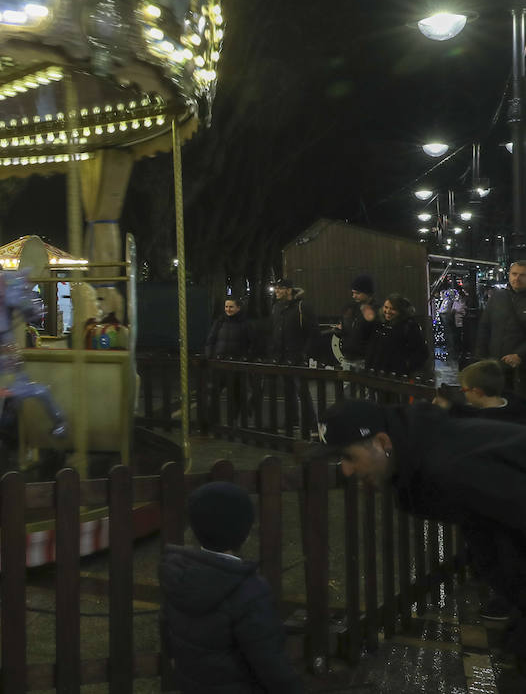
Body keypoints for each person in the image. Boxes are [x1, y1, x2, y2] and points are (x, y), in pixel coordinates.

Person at [318, 398, 526, 668]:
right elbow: (489, 529)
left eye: (348, 456)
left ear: (383, 443)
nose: (345, 471)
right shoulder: (424, 458)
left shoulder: (448, 467)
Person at [159, 482, 303, 693]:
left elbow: (166, 627)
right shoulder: (249, 591)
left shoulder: (177, 574)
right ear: (243, 533)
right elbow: (269, 660)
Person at [268, 279, 319, 436]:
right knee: (288, 391)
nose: (276, 291)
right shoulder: (277, 307)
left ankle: (313, 425)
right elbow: (276, 330)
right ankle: (292, 421)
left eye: (279, 288)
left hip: (296, 356)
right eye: (276, 288)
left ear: (289, 290)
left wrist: (304, 353)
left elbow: (313, 332)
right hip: (282, 356)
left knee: (302, 391)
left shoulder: (302, 307)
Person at [474, 260, 526, 394]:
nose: (517, 278)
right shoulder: (498, 296)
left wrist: (520, 355)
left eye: (522, 275)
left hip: (521, 367)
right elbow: (484, 327)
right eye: (514, 274)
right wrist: (480, 357)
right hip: (496, 364)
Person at [204, 298, 257, 424]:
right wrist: (210, 355)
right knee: (213, 391)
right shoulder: (220, 322)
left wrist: (246, 357)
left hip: (236, 364)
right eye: (226, 306)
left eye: (231, 307)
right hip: (219, 362)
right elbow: (210, 340)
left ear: (238, 308)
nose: (228, 309)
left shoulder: (245, 324)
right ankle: (210, 420)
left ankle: (233, 420)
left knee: (235, 394)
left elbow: (253, 343)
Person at [435, 359, 526, 426]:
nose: (463, 393)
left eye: (464, 390)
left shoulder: (483, 423)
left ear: (477, 392)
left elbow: (474, 415)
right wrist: (450, 406)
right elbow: (474, 411)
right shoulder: (515, 402)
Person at [364, 294, 429, 377]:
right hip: (377, 373)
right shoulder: (380, 323)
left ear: (401, 311)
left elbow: (422, 353)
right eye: (386, 307)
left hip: (397, 376)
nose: (387, 311)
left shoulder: (409, 327)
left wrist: (405, 367)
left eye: (393, 309)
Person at [335, 275, 377, 368]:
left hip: (364, 360)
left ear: (368, 293)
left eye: (357, 293)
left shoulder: (375, 310)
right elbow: (346, 329)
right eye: (353, 293)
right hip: (348, 358)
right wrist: (340, 330)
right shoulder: (351, 308)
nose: (353, 296)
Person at [437, 285, 467, 365]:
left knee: (451, 335)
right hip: (452, 320)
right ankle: (452, 350)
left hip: (454, 321)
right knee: (450, 335)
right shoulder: (452, 301)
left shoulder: (450, 301)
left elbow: (450, 311)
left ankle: (452, 351)